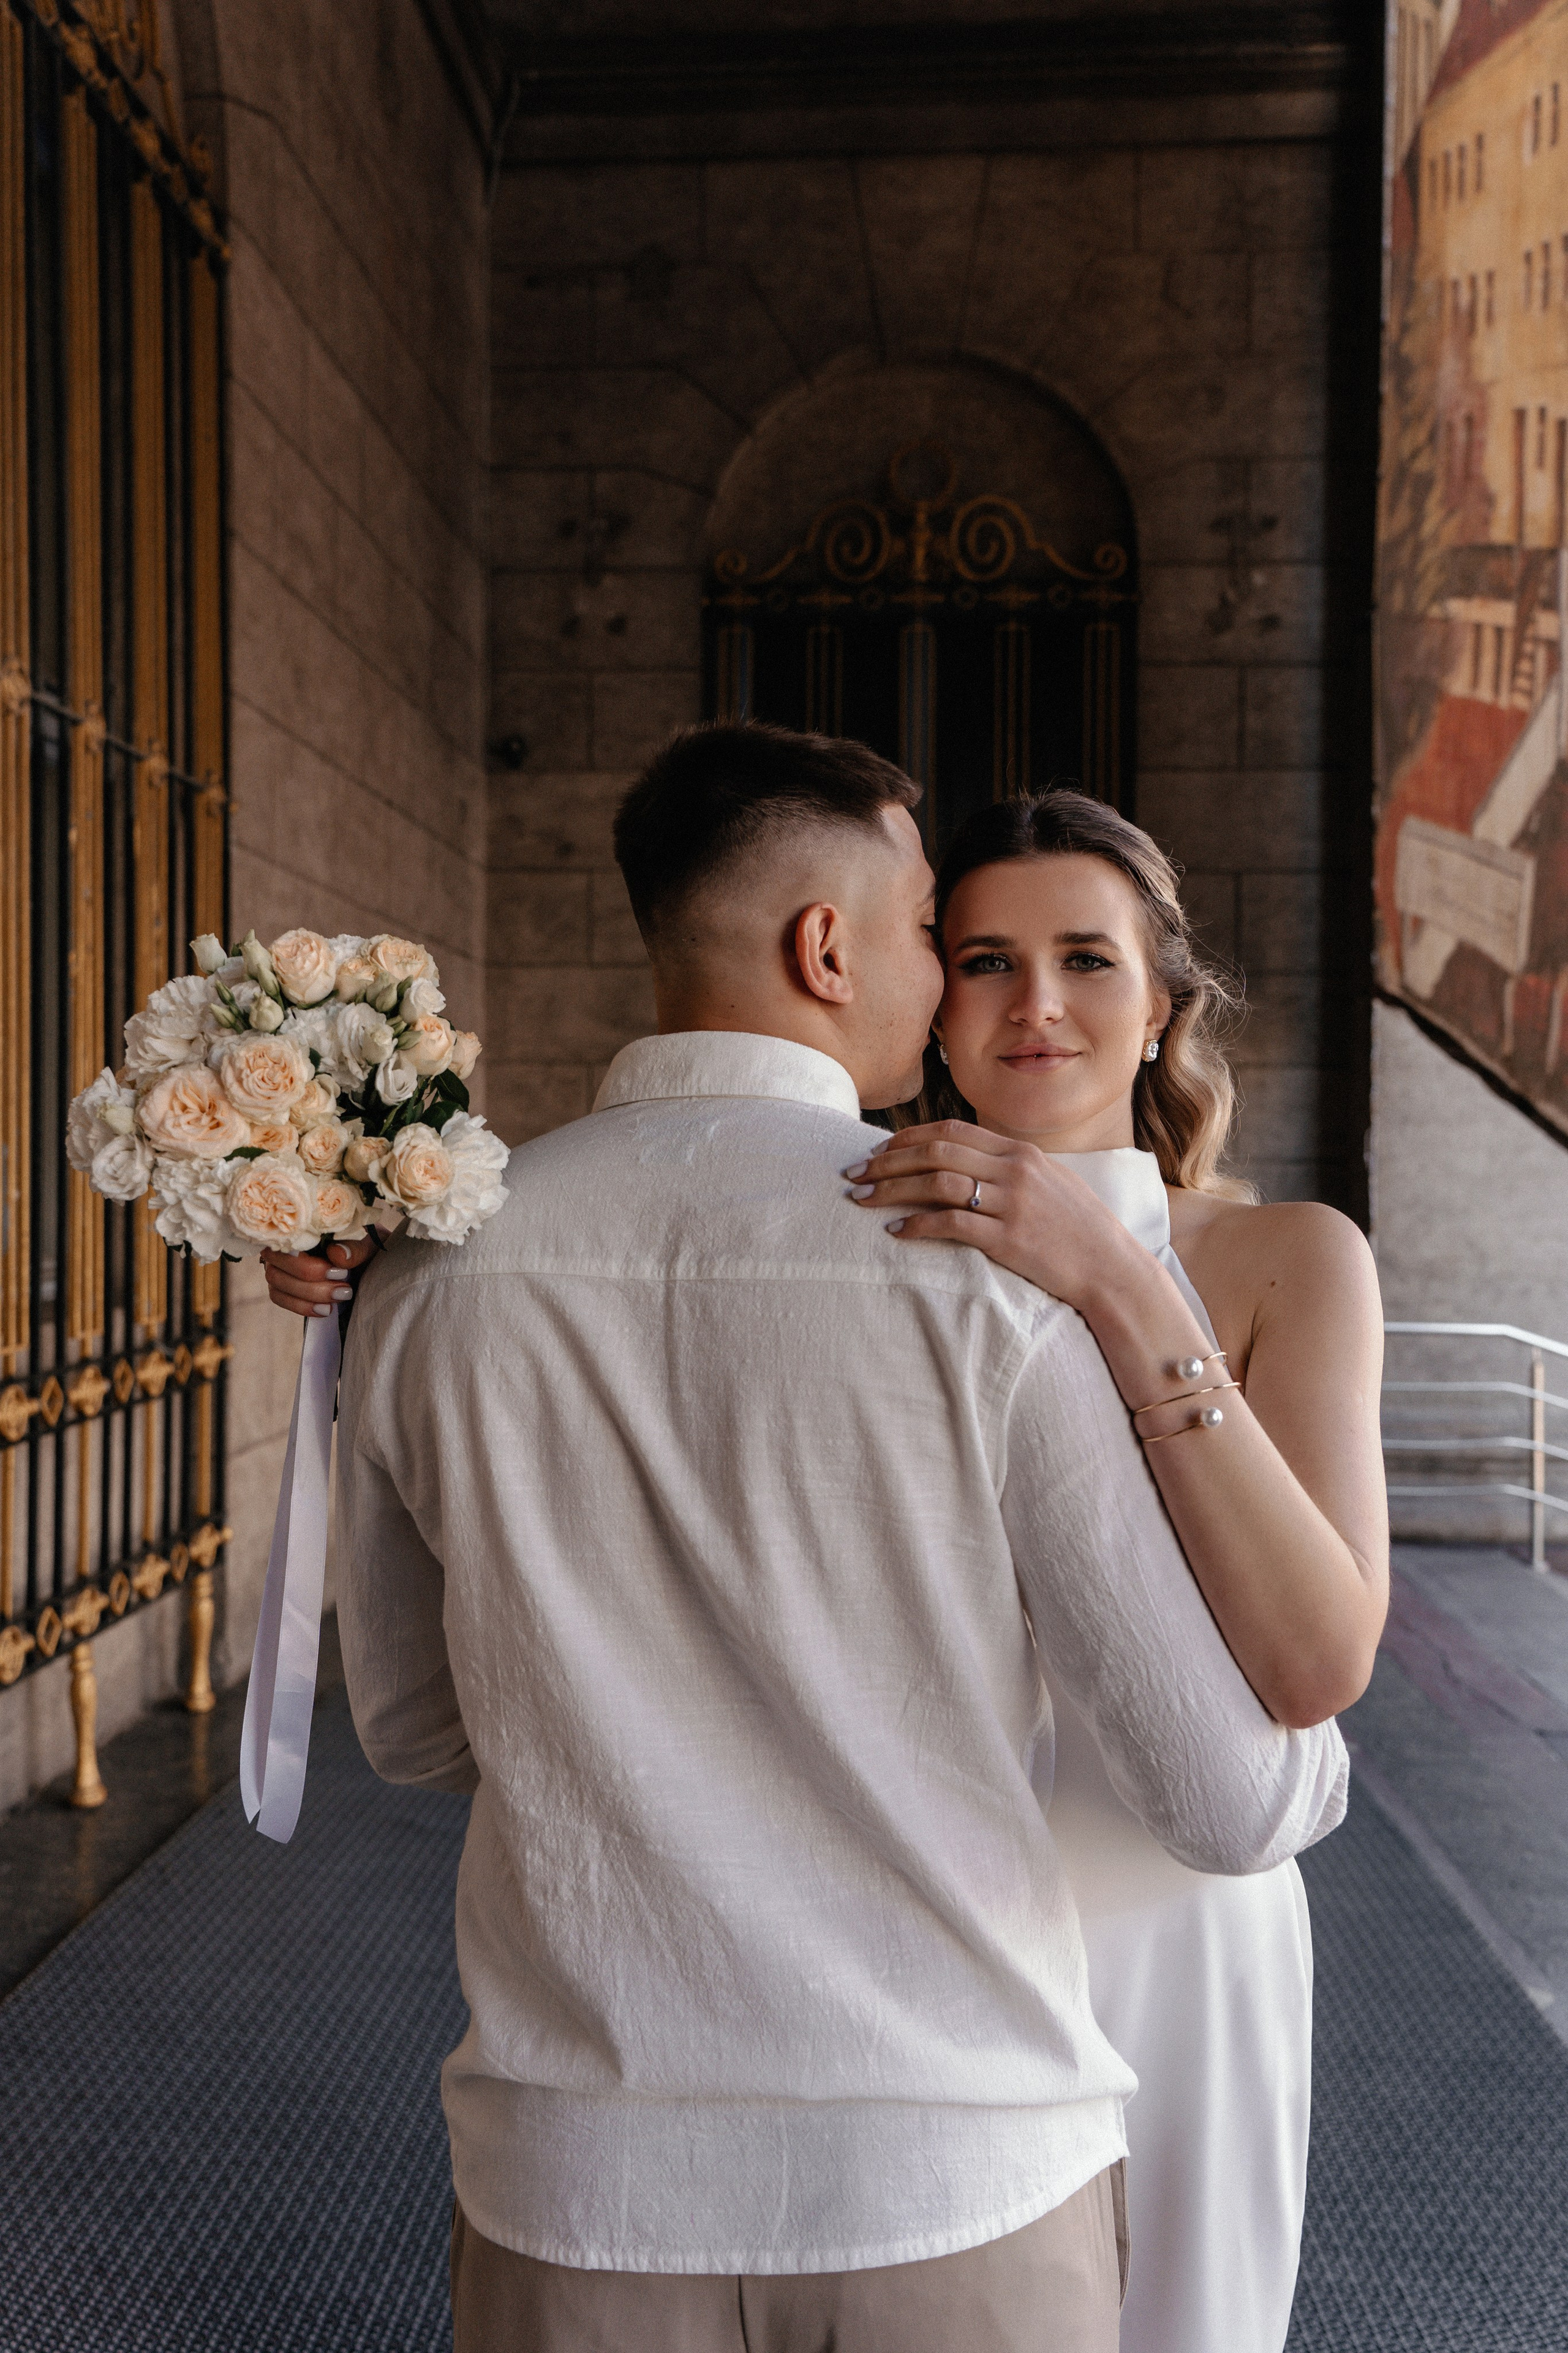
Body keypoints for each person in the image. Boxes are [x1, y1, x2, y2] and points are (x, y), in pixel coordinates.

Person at [264, 724, 1347, 2353]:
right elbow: (1232, 1796)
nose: (968, 984)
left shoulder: (423, 1278)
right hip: (950, 2165)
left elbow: (415, 1731)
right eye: (940, 932)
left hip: (582, 2177)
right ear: (826, 946)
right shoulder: (991, 1274)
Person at [841, 787, 1388, 2353]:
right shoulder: (834, 1229)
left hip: (1174, 1922)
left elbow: (1314, 1658)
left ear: (1158, 1008)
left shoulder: (1287, 1258)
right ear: (925, 1003)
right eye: (982, 959)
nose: (1035, 1004)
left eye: (1085, 959)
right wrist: (371, 1275)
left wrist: (1102, 1268)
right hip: (911, 1911)